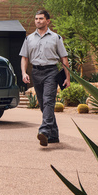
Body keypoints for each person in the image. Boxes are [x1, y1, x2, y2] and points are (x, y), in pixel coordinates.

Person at [20, 10, 70, 147]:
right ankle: (53, 136)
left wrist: (67, 77)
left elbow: (64, 58)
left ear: (48, 21)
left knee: (48, 101)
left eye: (41, 18)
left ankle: (44, 130)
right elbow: (24, 57)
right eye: (36, 18)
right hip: (36, 72)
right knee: (43, 104)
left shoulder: (56, 38)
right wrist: (24, 73)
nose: (38, 21)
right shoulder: (29, 38)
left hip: (51, 72)